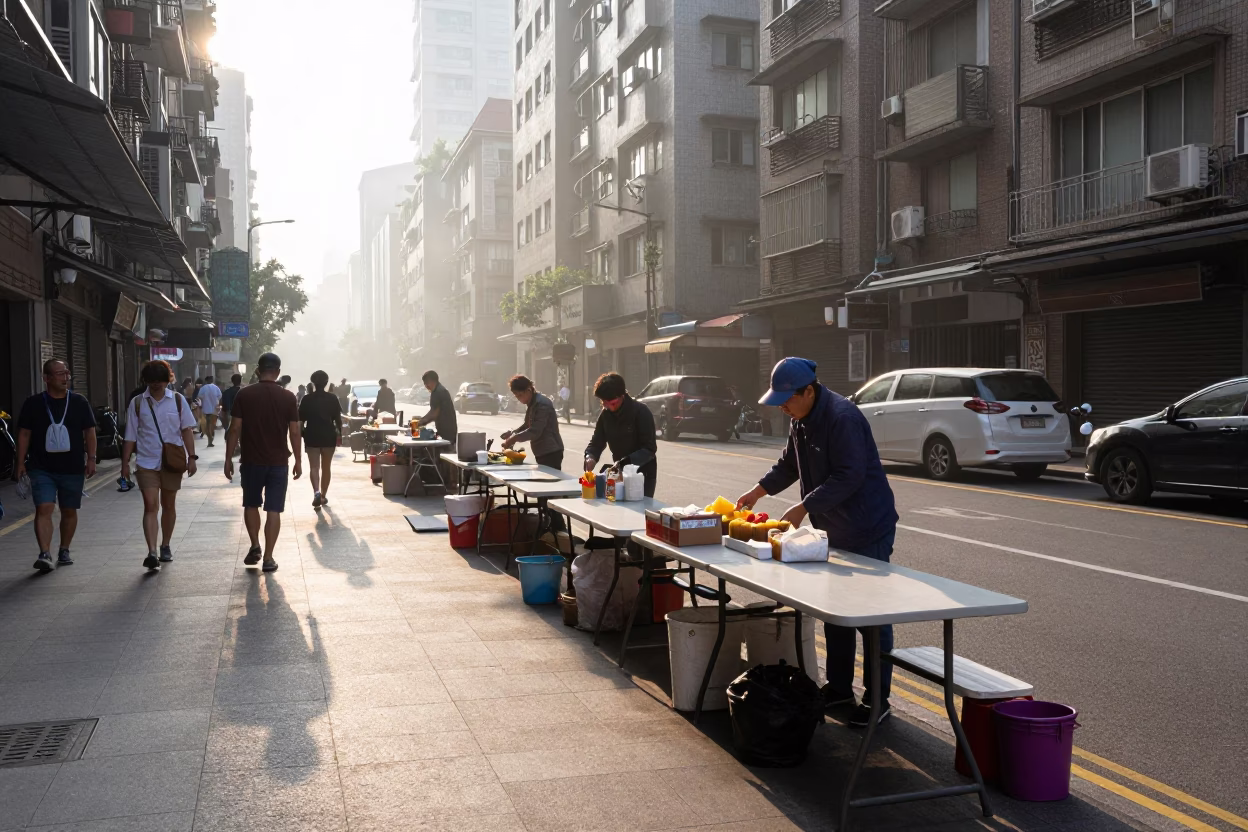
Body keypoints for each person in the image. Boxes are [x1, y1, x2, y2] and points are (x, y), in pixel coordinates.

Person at [736, 357, 899, 727]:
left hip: (867, 527)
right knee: (834, 609)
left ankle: (878, 701)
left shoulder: (843, 418)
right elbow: (789, 465)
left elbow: (850, 475)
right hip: (834, 529)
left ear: (808, 391)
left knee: (872, 617)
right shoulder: (800, 420)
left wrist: (804, 507)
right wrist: (758, 492)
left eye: (787, 400)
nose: (783, 408)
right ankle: (840, 688)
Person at [14, 358, 97, 572]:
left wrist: (91, 458)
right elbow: (24, 433)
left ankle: (64, 549)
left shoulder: (79, 402)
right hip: (42, 467)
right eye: (60, 373)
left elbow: (89, 432)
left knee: (69, 510)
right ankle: (44, 553)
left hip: (72, 467)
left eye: (66, 373)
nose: (66, 377)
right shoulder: (33, 403)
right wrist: (20, 462)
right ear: (46, 378)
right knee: (44, 507)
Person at [225, 352, 302, 572]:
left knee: (251, 504)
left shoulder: (244, 395)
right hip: (279, 463)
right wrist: (298, 460)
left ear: (258, 370)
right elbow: (295, 433)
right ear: (277, 372)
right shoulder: (288, 397)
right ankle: (268, 558)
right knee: (273, 510)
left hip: (251, 461)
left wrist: (228, 459)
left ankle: (255, 545)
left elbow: (235, 429)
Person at [121, 359, 198, 570]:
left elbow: (186, 430)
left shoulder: (178, 400)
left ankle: (165, 545)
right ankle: (152, 551)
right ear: (145, 380)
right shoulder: (137, 402)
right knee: (150, 505)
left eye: (160, 380)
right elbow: (130, 435)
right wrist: (125, 463)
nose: (156, 385)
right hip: (146, 461)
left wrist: (191, 457)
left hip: (172, 462)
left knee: (169, 505)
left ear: (167, 380)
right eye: (151, 380)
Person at [583, 372, 657, 497]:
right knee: (618, 509)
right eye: (603, 403)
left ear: (622, 396)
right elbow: (597, 442)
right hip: (619, 473)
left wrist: (624, 462)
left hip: (642, 474)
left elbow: (649, 449)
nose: (607, 406)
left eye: (611, 403)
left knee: (638, 510)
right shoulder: (605, 415)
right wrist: (590, 456)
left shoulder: (641, 412)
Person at [299, 370, 342, 509]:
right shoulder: (333, 398)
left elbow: (300, 422)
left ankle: (316, 492)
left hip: (311, 436)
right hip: (328, 436)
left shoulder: (306, 399)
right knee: (326, 467)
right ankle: (323, 496)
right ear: (326, 382)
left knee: (314, 467)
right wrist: (339, 434)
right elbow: (338, 420)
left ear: (313, 382)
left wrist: (302, 433)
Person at [416, 370, 457, 448]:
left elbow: (434, 413)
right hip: (448, 429)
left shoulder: (438, 392)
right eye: (424, 383)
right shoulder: (440, 390)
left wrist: (421, 422)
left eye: (427, 382)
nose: (426, 385)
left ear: (433, 381)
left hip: (446, 431)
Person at [198, 375, 223, 447]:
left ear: (206, 381)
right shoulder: (216, 387)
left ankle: (210, 440)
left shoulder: (203, 388)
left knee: (208, 425)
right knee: (213, 425)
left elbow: (199, 396)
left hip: (206, 409)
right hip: (215, 409)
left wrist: (205, 399)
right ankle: (211, 440)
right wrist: (215, 400)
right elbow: (220, 396)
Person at [220, 373, 243, 444]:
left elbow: (223, 405)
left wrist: (223, 415)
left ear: (232, 381)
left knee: (231, 430)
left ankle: (232, 445)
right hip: (242, 414)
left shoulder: (226, 392)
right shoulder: (244, 391)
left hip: (229, 413)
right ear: (240, 381)